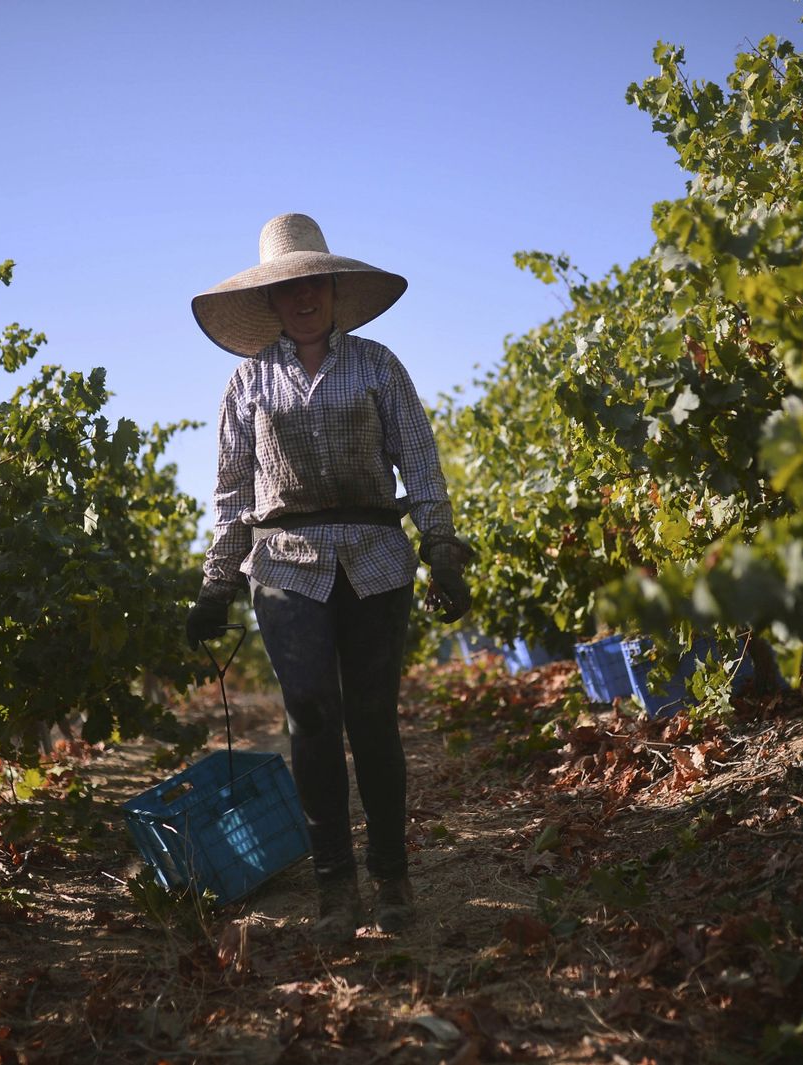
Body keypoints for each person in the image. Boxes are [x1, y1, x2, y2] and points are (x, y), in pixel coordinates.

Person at [185, 213, 471, 945]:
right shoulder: (246, 383)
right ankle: (334, 886)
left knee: (373, 718)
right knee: (311, 714)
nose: (303, 296)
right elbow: (232, 494)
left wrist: (441, 547)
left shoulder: (379, 365)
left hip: (375, 557)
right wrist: (217, 583)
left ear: (334, 289)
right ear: (271, 302)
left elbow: (420, 460)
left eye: (314, 282)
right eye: (288, 287)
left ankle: (392, 876)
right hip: (284, 563)